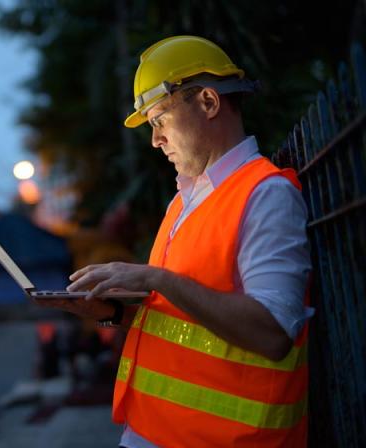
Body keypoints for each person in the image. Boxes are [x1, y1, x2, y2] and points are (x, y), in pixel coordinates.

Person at [35, 35, 313, 447]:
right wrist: (109, 311)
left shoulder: (265, 194)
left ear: (208, 103)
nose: (155, 140)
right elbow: (184, 323)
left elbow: (272, 333)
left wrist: (157, 279)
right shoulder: (185, 203)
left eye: (160, 120)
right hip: (159, 431)